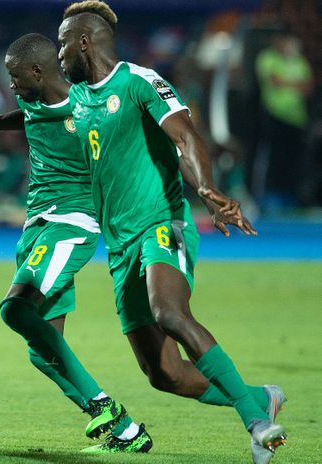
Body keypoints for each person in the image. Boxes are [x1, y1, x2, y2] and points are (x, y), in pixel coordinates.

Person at [57, 2, 286, 462]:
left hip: (161, 223)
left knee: (170, 313)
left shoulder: (139, 81)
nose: (59, 55)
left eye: (62, 43)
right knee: (165, 375)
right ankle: (261, 395)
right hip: (119, 248)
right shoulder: (78, 100)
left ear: (84, 41)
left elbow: (184, 135)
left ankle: (257, 422)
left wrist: (205, 187)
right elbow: (30, 119)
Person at [0, 33, 151, 453]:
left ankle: (103, 404)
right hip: (37, 228)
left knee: (15, 308)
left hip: (70, 225)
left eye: (14, 76)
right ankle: (127, 434)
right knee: (41, 349)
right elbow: (26, 116)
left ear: (36, 70)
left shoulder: (87, 107)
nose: (10, 84)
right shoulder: (34, 102)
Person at [254, 30, 313, 210]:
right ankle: (269, 196)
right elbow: (275, 81)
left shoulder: (299, 61)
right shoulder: (267, 58)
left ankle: (291, 196)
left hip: (297, 119)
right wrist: (296, 84)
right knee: (274, 158)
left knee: (294, 159)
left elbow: (308, 86)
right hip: (274, 116)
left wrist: (289, 83)